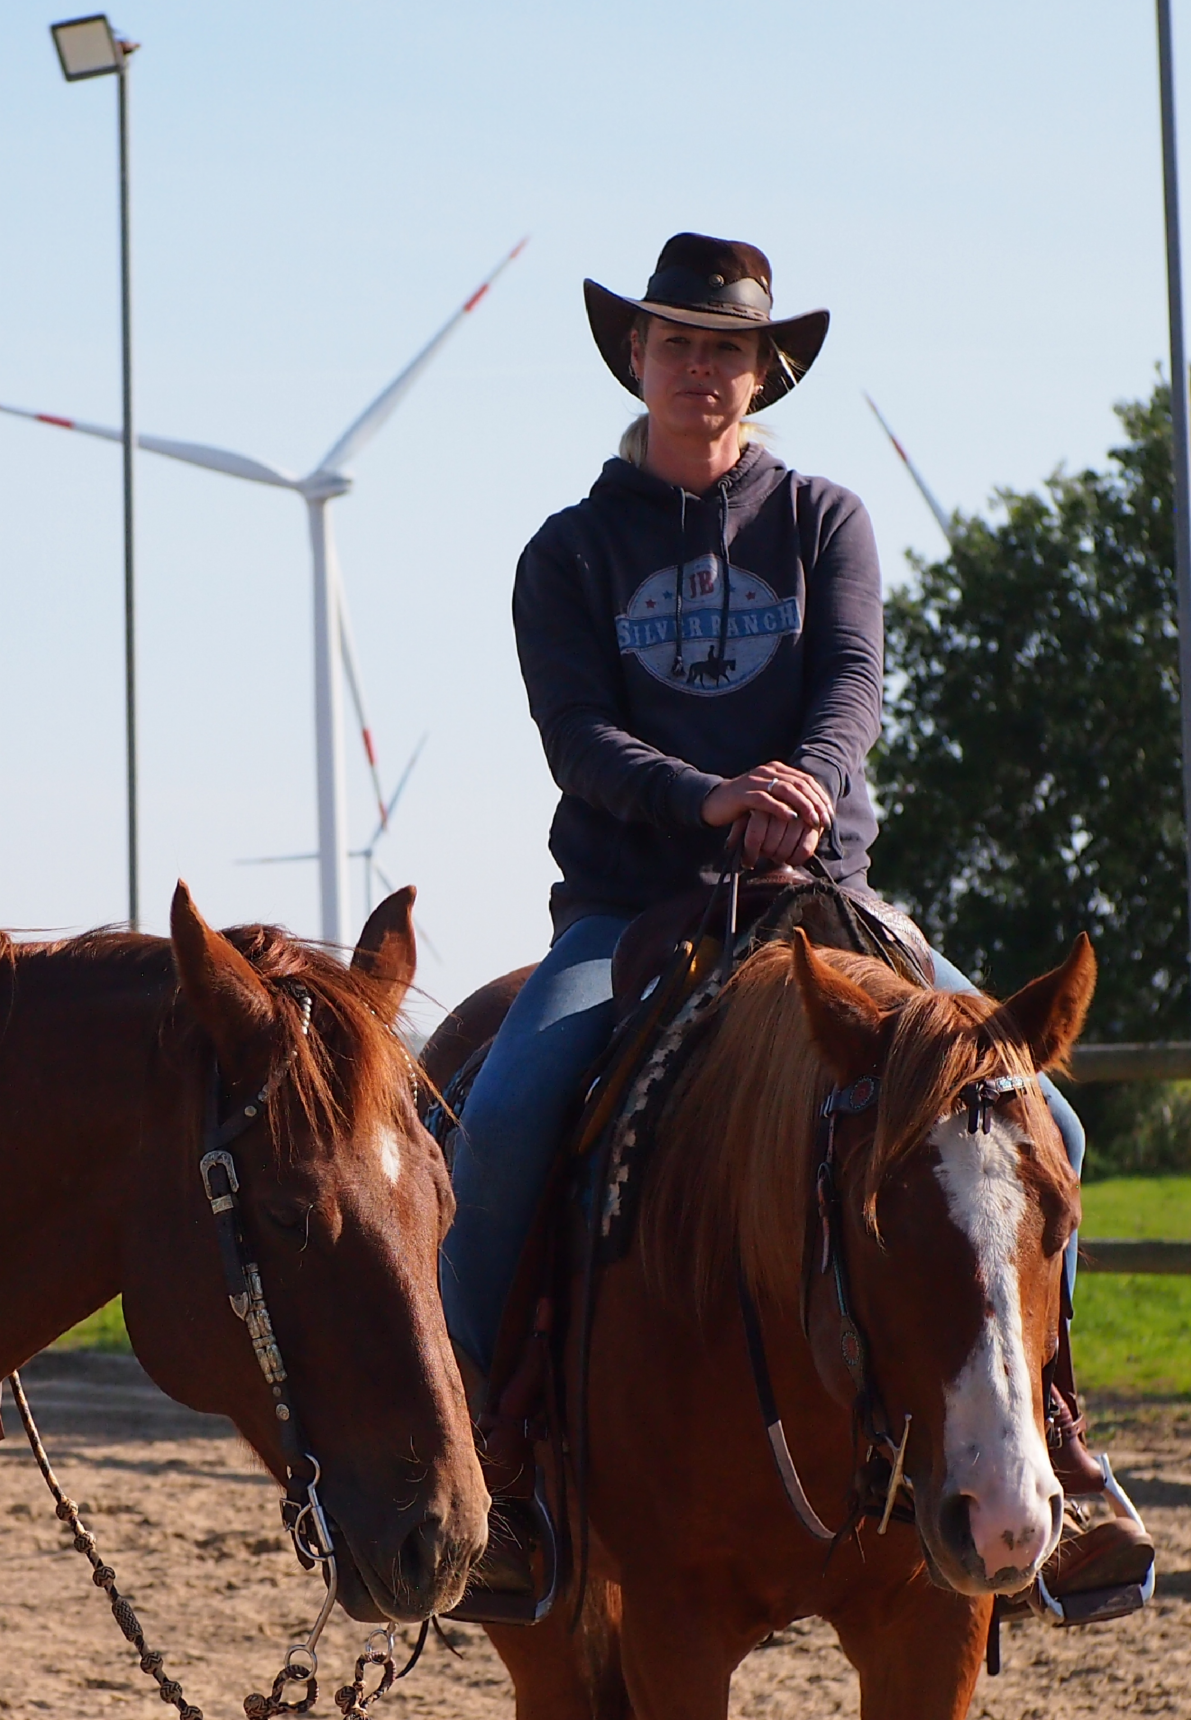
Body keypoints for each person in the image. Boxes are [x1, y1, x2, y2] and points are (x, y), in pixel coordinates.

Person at [441, 232, 1151, 1610]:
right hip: (630, 904)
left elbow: (849, 686)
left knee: (1046, 1127)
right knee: (507, 1113)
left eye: (727, 349)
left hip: (824, 896)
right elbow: (576, 735)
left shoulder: (824, 521)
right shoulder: (569, 552)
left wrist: (806, 792)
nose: (701, 368)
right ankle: (493, 1455)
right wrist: (713, 799)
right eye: (677, 342)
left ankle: (1059, 1446)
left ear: (763, 374)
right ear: (633, 357)